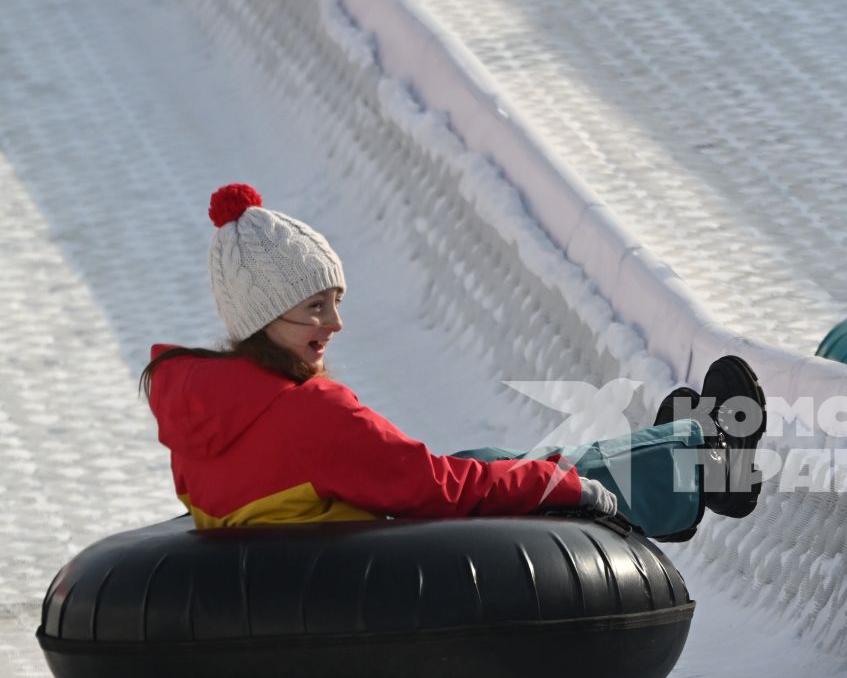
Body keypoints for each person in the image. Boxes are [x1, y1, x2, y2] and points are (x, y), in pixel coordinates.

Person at [142, 183, 763, 538]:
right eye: (312, 309)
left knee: (489, 463)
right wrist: (567, 486)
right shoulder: (306, 413)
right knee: (521, 474)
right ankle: (704, 460)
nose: (334, 324)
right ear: (260, 319)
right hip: (385, 570)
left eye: (336, 302)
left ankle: (678, 459)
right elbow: (431, 488)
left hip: (307, 556)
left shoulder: (197, 412)